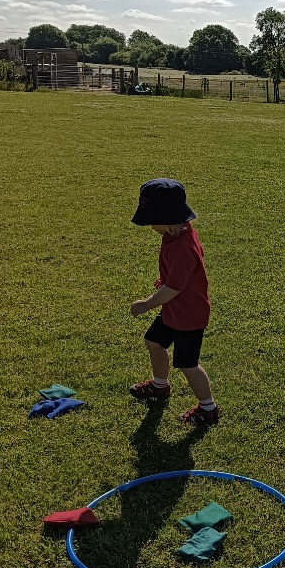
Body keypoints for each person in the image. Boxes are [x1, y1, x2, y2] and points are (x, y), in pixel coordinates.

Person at [128, 178, 220, 426]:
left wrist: (147, 303)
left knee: (188, 364)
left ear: (167, 218)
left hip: (188, 314)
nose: (149, 225)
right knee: (154, 341)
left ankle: (208, 408)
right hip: (175, 309)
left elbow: (175, 288)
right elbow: (175, 279)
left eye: (151, 220)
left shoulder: (181, 246)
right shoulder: (175, 234)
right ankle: (160, 386)